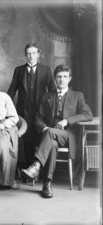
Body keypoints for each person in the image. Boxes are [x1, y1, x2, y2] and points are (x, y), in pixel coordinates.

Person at [21, 64, 93, 198]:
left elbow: (88, 115)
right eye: (59, 77)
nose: (62, 79)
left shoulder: (77, 96)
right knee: (52, 143)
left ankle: (36, 165)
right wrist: (44, 128)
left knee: (50, 134)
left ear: (69, 79)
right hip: (49, 135)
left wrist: (68, 120)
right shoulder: (47, 96)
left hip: (67, 136)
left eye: (65, 77)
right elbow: (38, 118)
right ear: (54, 79)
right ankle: (47, 184)